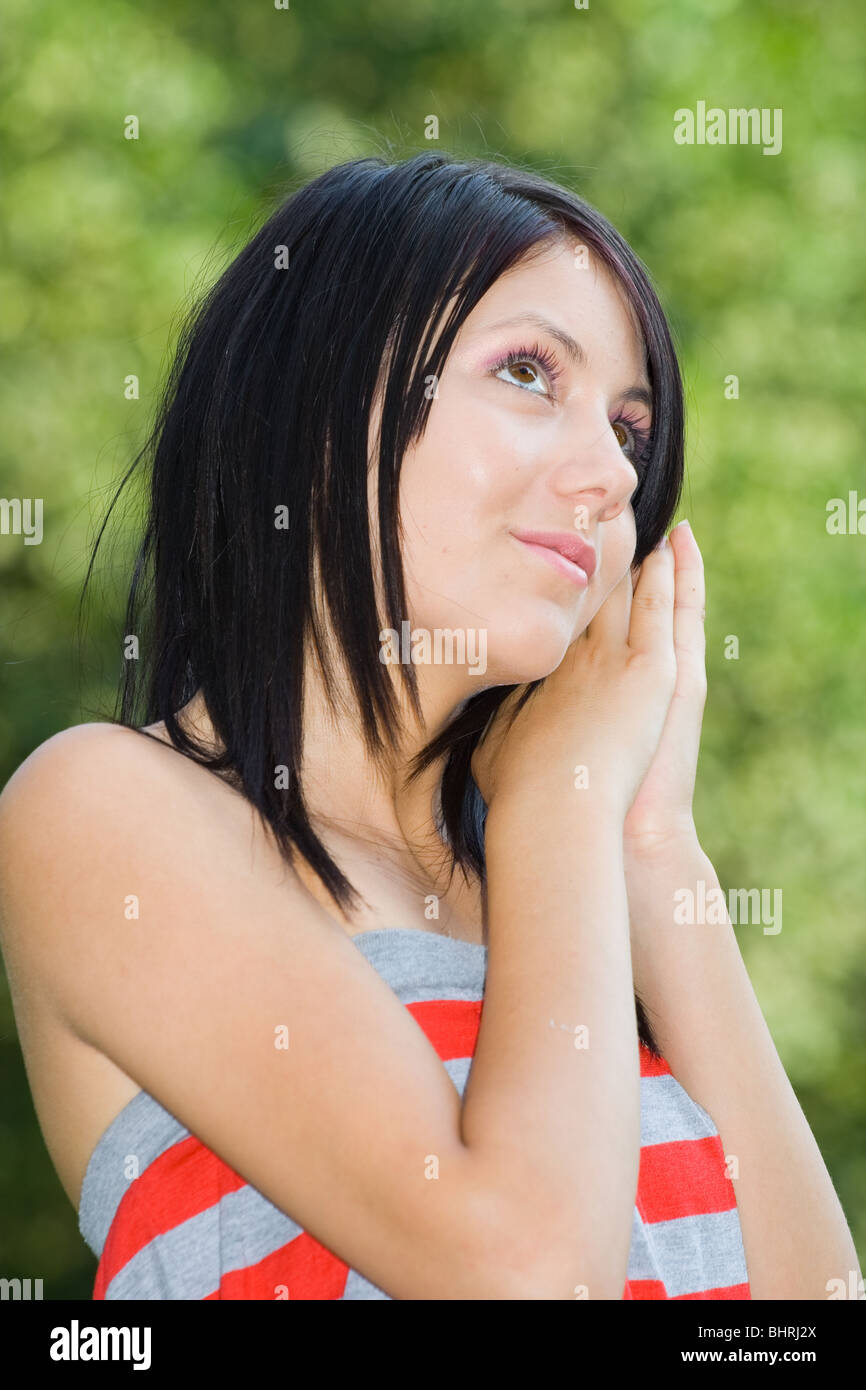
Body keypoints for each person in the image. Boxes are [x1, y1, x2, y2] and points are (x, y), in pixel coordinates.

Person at [0, 154, 859, 1300]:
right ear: (312, 404)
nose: (611, 473)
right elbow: (522, 1276)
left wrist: (650, 839)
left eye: (629, 427)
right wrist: (558, 804)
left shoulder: (582, 888)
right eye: (525, 371)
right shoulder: (102, 809)